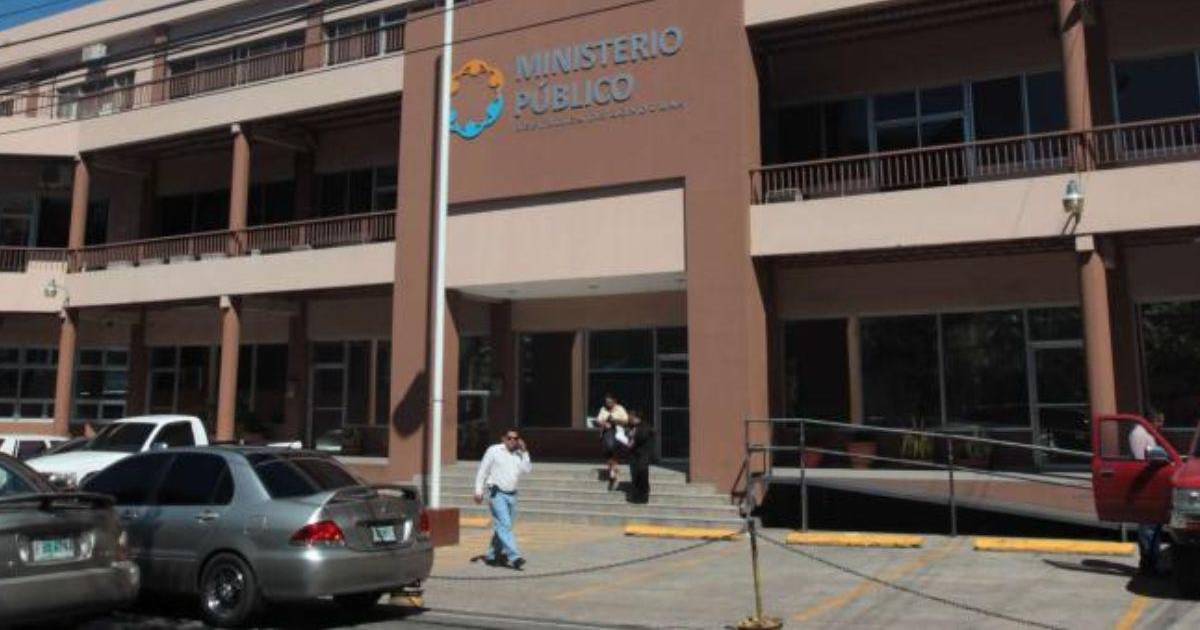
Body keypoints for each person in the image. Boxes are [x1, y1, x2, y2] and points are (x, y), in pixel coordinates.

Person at [473, 428, 532, 570]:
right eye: (509, 438)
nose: (512, 441)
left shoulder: (519, 454)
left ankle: (492, 556)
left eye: (515, 438)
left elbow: (527, 469)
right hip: (496, 493)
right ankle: (514, 557)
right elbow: (483, 470)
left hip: (512, 494)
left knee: (503, 526)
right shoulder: (494, 450)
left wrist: (525, 451)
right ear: (504, 439)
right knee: (505, 525)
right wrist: (478, 490)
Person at [1131, 410, 1166, 575]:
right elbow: (1141, 461)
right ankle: (1148, 565)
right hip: (1145, 485)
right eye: (1159, 421)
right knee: (1148, 526)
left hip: (1151, 484)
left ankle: (1153, 563)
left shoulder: (1146, 433)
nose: (1161, 425)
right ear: (1152, 420)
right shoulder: (1139, 434)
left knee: (1153, 525)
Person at [596, 394, 629, 490]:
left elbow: (626, 421)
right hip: (606, 433)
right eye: (607, 402)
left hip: (618, 433)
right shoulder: (603, 409)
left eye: (610, 402)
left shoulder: (620, 409)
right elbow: (598, 420)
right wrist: (604, 423)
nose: (608, 404)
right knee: (608, 450)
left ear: (615, 401)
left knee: (613, 450)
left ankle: (612, 472)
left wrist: (615, 420)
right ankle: (612, 471)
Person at [625, 411, 654, 504]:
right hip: (633, 455)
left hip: (643, 454)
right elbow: (628, 436)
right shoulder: (631, 427)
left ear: (637, 418)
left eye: (631, 417)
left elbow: (643, 437)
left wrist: (634, 435)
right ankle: (635, 496)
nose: (629, 419)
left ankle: (643, 497)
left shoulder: (644, 426)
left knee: (642, 473)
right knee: (634, 475)